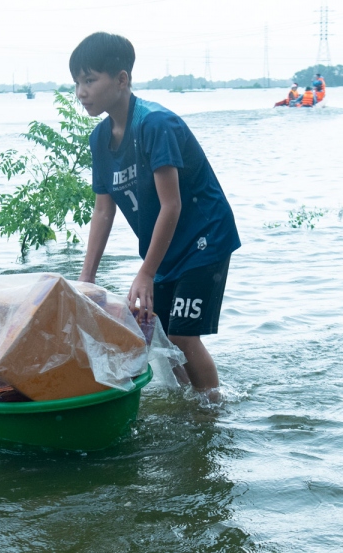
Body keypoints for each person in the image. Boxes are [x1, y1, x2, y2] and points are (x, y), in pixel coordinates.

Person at [72, 32, 241, 397]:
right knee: (159, 331)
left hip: (204, 238)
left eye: (89, 80)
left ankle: (213, 412)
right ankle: (190, 406)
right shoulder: (99, 140)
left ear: (121, 80)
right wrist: (86, 278)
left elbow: (172, 204)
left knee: (181, 333)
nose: (81, 92)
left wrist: (146, 272)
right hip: (164, 247)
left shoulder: (154, 124)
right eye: (77, 82)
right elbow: (103, 210)